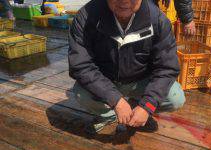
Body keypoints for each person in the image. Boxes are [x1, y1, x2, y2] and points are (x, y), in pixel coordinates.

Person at [69, 0, 185, 134]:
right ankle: (110, 115)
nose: (124, 1)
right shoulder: (85, 17)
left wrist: (147, 106)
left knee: (175, 98)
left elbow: (167, 68)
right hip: (106, 80)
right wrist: (115, 99)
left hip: (141, 81)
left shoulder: (158, 20)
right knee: (81, 93)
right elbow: (81, 65)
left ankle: (137, 107)